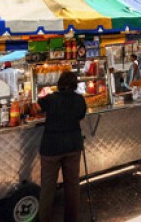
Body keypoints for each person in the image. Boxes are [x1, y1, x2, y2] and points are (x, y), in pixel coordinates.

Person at [38, 71, 87, 222]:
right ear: (74, 85)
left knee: (48, 188)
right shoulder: (79, 100)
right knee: (72, 186)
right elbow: (80, 115)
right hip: (73, 146)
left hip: (51, 148)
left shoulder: (50, 99)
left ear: (59, 83)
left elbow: (39, 104)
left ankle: (44, 219)